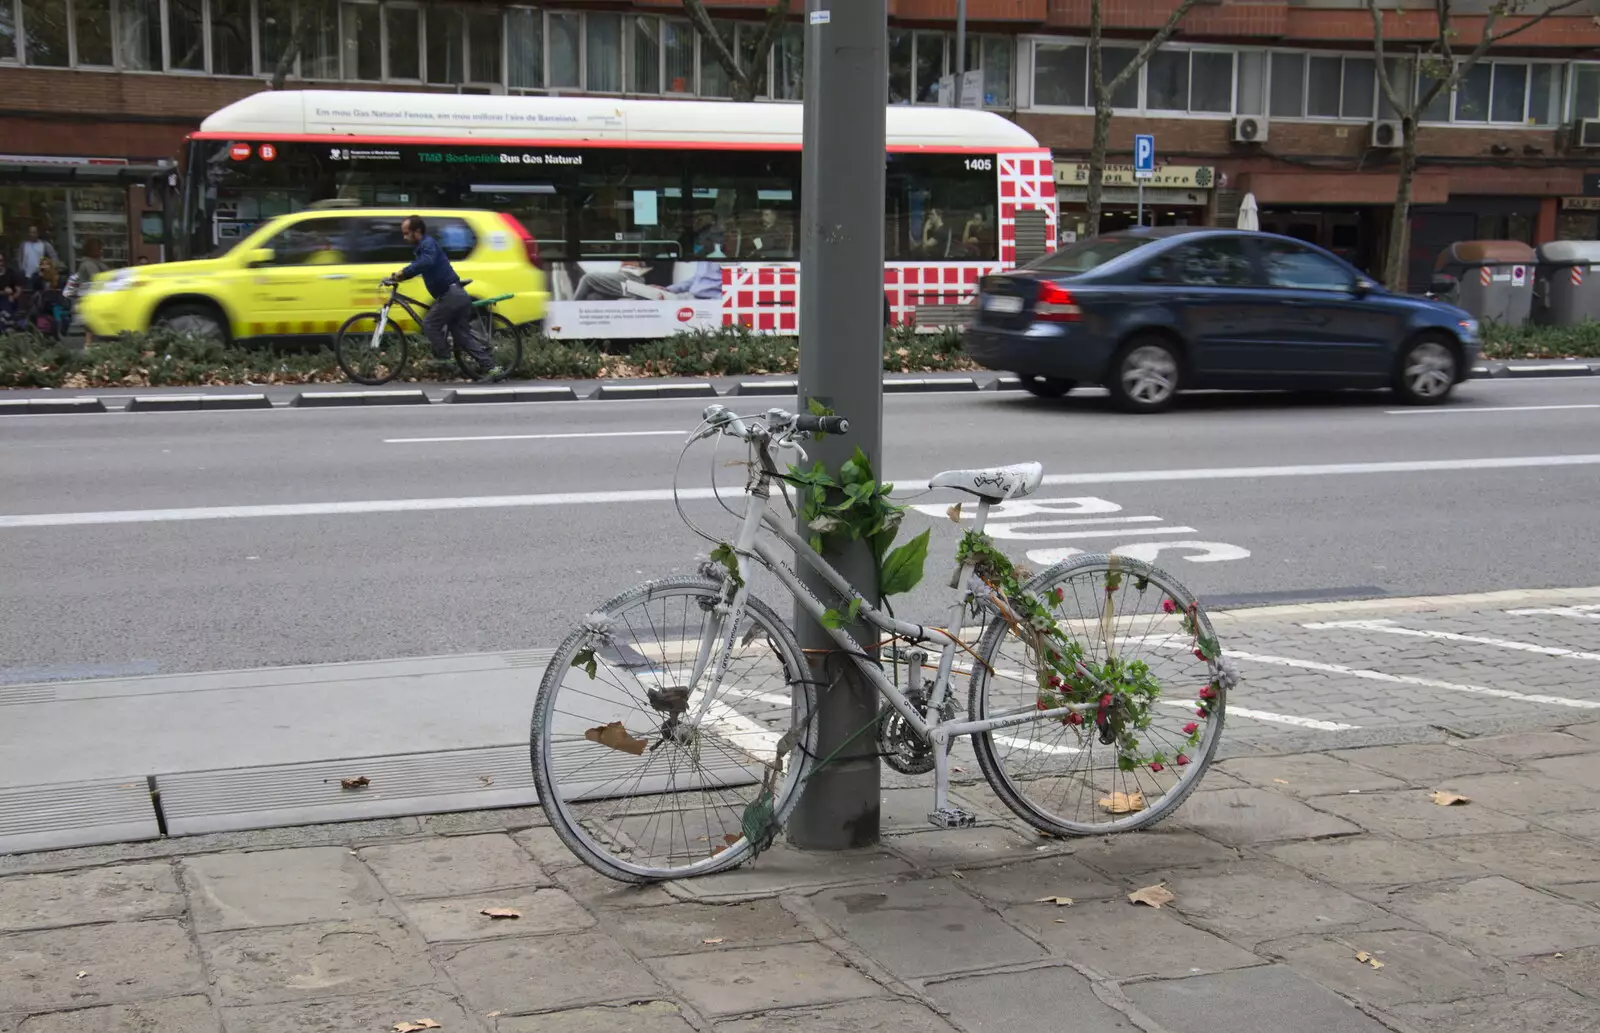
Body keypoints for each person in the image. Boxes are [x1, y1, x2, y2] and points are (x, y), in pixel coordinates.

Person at [383, 215, 499, 379]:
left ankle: (446, 360)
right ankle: (493, 369)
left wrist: (403, 272)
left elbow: (427, 262)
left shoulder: (428, 244)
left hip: (451, 295)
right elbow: (421, 265)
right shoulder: (423, 248)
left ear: (417, 232)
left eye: (406, 233)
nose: (404, 237)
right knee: (462, 337)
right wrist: (398, 277)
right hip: (453, 295)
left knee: (430, 324)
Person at [0, 254, 24, 330]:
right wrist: (4, 292)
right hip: (3, 297)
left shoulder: (10, 273)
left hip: (9, 300)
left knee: (7, 304)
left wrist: (13, 296)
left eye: (1, 261)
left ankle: (7, 325)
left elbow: (19, 290)